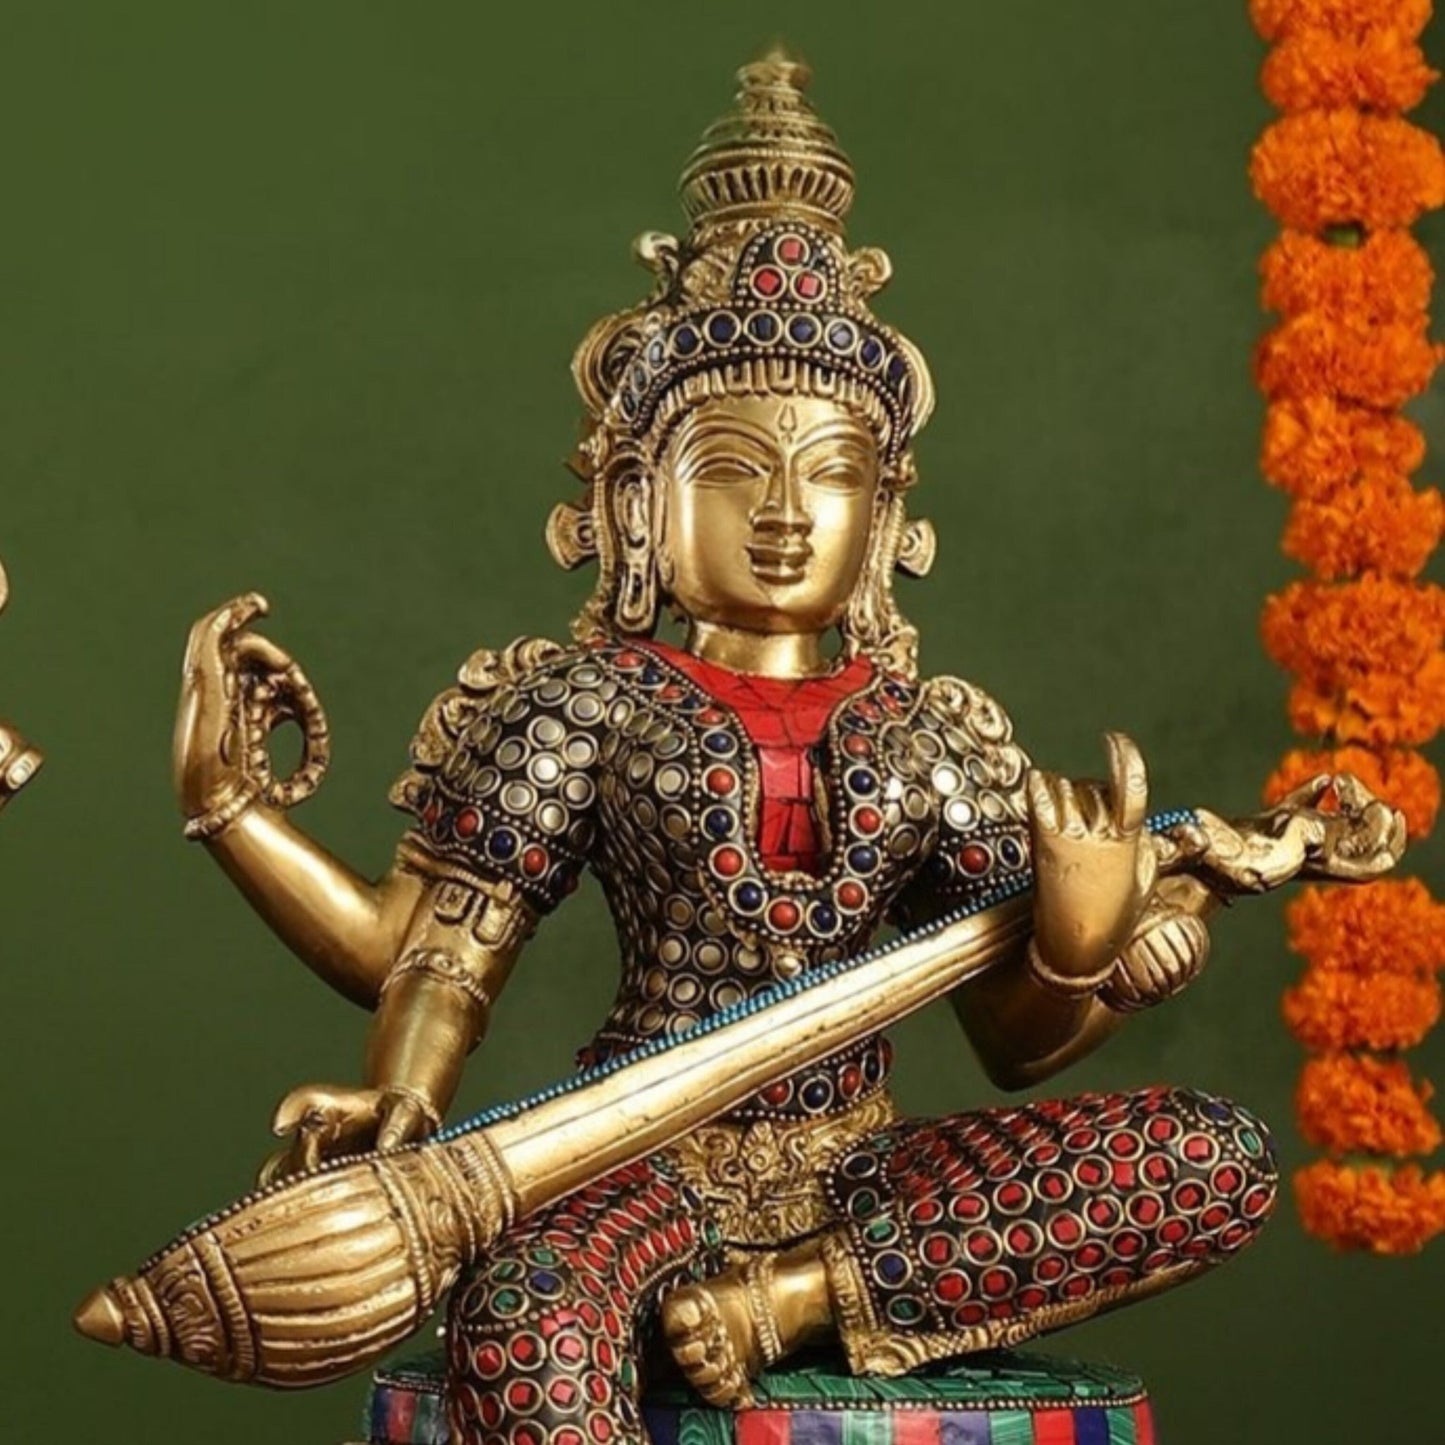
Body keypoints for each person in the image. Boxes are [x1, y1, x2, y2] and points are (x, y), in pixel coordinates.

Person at [164, 54, 1398, 1445]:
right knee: (522, 1319)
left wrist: (1085, 953)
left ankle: (785, 1306)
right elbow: (426, 953)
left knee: (1204, 1157)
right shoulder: (584, 706)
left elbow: (1014, 1045)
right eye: (734, 468)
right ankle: (703, 1304)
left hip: (862, 1177)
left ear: (885, 517)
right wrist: (236, 815)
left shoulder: (934, 740)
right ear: (638, 503)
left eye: (831, 473)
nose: (785, 514)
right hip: (638, 1154)